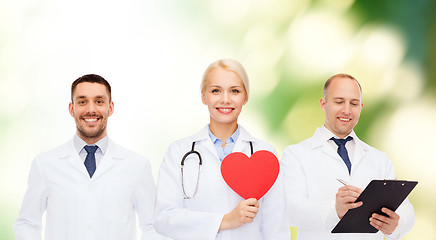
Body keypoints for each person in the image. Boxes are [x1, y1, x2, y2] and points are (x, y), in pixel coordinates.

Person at [13, 74, 163, 240]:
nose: (91, 109)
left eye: (99, 101)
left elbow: (153, 227)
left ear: (110, 108)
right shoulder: (45, 164)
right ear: (72, 109)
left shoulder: (137, 166)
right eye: (82, 101)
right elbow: (27, 224)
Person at [153, 59, 290, 240]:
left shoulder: (265, 154)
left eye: (234, 91)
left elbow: (276, 228)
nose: (225, 99)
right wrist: (224, 221)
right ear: (204, 96)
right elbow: (164, 218)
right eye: (216, 90)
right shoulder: (179, 152)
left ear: (245, 97)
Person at [282, 73, 415, 240]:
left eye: (354, 103)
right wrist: (335, 211)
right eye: (339, 102)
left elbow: (406, 210)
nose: (346, 110)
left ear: (361, 106)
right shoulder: (296, 154)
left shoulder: (379, 158)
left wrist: (396, 225)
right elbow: (290, 209)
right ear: (324, 104)